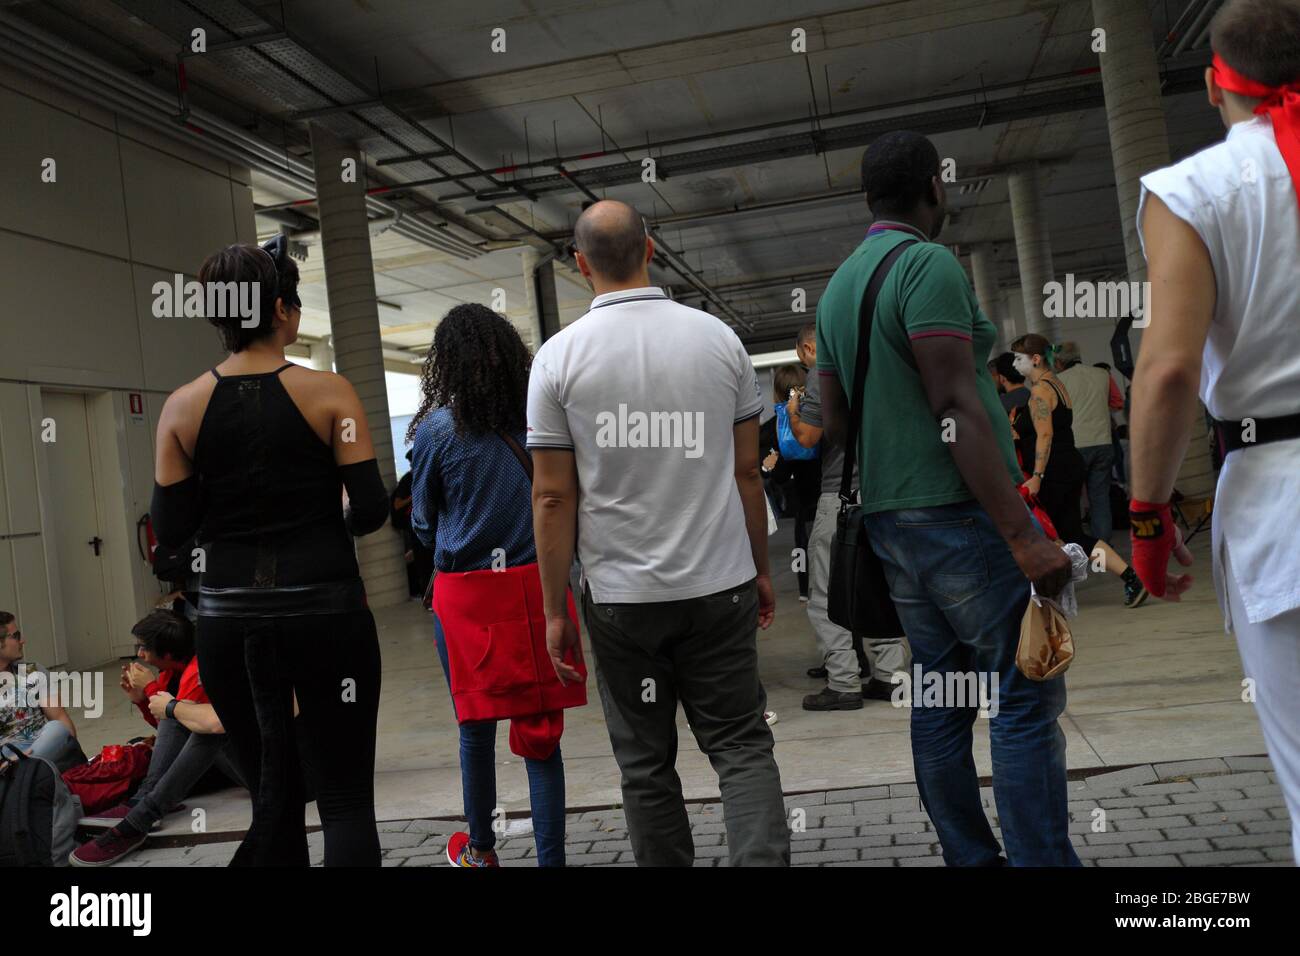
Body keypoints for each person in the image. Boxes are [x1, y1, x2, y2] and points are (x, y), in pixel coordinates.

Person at [816, 131, 1078, 866]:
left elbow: (834, 424)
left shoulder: (839, 287)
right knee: (1024, 693)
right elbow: (956, 402)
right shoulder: (927, 264)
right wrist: (1023, 535)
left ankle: (973, 857)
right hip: (959, 513)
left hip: (891, 522)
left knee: (940, 693)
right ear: (934, 186)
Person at [527, 199, 789, 867]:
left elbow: (553, 495)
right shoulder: (719, 341)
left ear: (580, 265)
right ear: (650, 250)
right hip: (720, 584)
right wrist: (760, 570)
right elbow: (747, 476)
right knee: (740, 745)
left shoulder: (556, 360)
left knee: (645, 763)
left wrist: (554, 609)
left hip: (620, 600)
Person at [148, 235, 389, 867]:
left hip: (229, 623)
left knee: (271, 799)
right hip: (328, 612)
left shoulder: (180, 408)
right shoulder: (332, 394)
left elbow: (171, 532)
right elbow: (370, 511)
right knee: (344, 799)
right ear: (281, 311)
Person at [1129, 0, 1300, 863]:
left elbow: (1166, 372)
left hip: (1284, 506)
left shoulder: (1193, 192)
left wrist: (1149, 521)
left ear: (1211, 85)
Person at [408, 303, 579, 868]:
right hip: (537, 589)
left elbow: (422, 521)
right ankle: (551, 861)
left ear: (446, 364)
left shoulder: (438, 430)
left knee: (474, 726)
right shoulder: (540, 418)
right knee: (541, 735)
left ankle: (481, 851)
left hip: (467, 599)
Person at [784, 325, 907, 708]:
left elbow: (807, 438)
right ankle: (891, 676)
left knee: (827, 593)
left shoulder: (823, 375)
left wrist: (792, 412)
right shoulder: (882, 369)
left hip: (841, 496)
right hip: (888, 493)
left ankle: (843, 682)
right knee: (884, 585)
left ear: (808, 348)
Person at [71, 610, 246, 866]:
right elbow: (169, 729)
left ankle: (139, 818)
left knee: (200, 726)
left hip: (267, 773)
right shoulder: (171, 672)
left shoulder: (200, 670)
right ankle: (144, 800)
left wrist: (153, 691)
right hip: (235, 761)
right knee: (178, 717)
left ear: (165, 654)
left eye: (144, 648)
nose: (139, 655)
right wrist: (143, 701)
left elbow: (201, 723)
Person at [1009, 334, 1148, 608]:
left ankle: (1048, 597)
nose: (1014, 365)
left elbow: (1045, 435)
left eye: (1018, 358)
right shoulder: (1056, 384)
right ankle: (1130, 577)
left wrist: (1037, 476)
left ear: (1035, 359)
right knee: (1072, 534)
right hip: (1068, 464)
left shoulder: (1040, 391)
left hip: (1052, 471)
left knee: (1049, 534)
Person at [1054, 341, 1124, 543]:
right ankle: (1103, 545)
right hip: (1103, 442)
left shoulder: (1059, 381)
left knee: (1072, 498)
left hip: (1076, 445)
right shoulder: (1102, 375)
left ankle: (1078, 544)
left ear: (1059, 362)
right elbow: (1114, 404)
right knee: (1100, 498)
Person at [761, 364, 820, 604]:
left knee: (805, 550)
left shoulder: (774, 428)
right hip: (835, 495)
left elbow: (777, 475)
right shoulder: (822, 417)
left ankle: (807, 589)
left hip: (804, 505)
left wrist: (773, 464)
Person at [0, 611, 83, 772]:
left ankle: (21, 770)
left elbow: (60, 719)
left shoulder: (33, 671)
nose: (22, 640)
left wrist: (67, 746)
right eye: (15, 636)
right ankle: (22, 770)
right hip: (6, 753)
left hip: (42, 747)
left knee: (57, 729)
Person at [391, 450, 434, 598]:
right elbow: (397, 504)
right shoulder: (408, 480)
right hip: (415, 527)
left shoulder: (425, 475)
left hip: (429, 523)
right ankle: (426, 594)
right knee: (423, 561)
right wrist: (413, 496)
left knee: (430, 560)